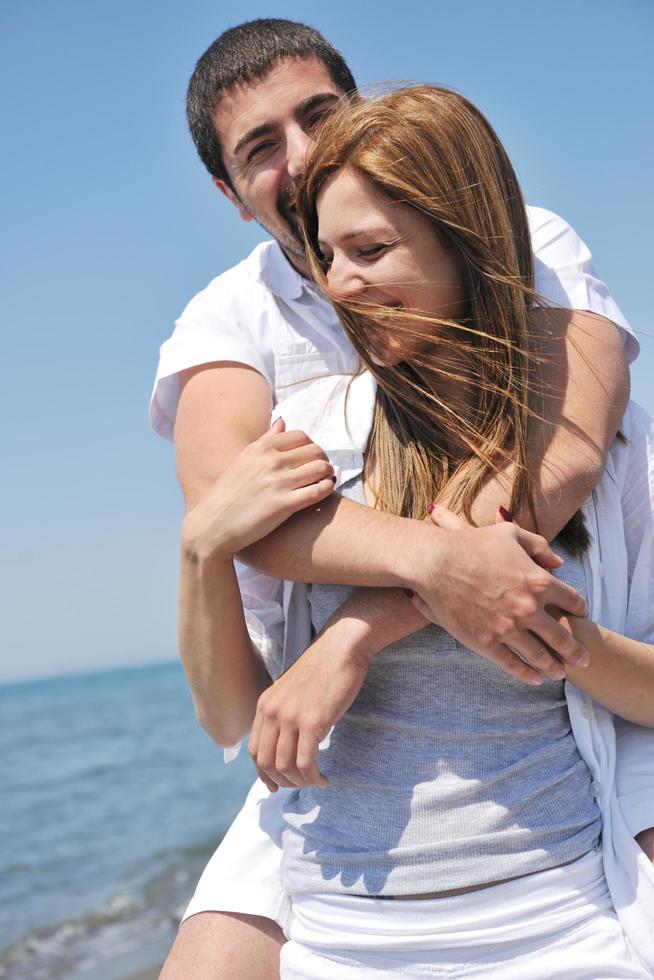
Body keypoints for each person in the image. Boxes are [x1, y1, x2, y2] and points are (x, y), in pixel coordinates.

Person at [150, 18, 652, 980]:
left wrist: (364, 628)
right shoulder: (234, 324)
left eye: (317, 116)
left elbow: (575, 442)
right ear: (229, 193)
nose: (297, 159)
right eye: (260, 148)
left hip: (563, 775)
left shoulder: (526, 242)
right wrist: (409, 585)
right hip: (344, 797)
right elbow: (236, 523)